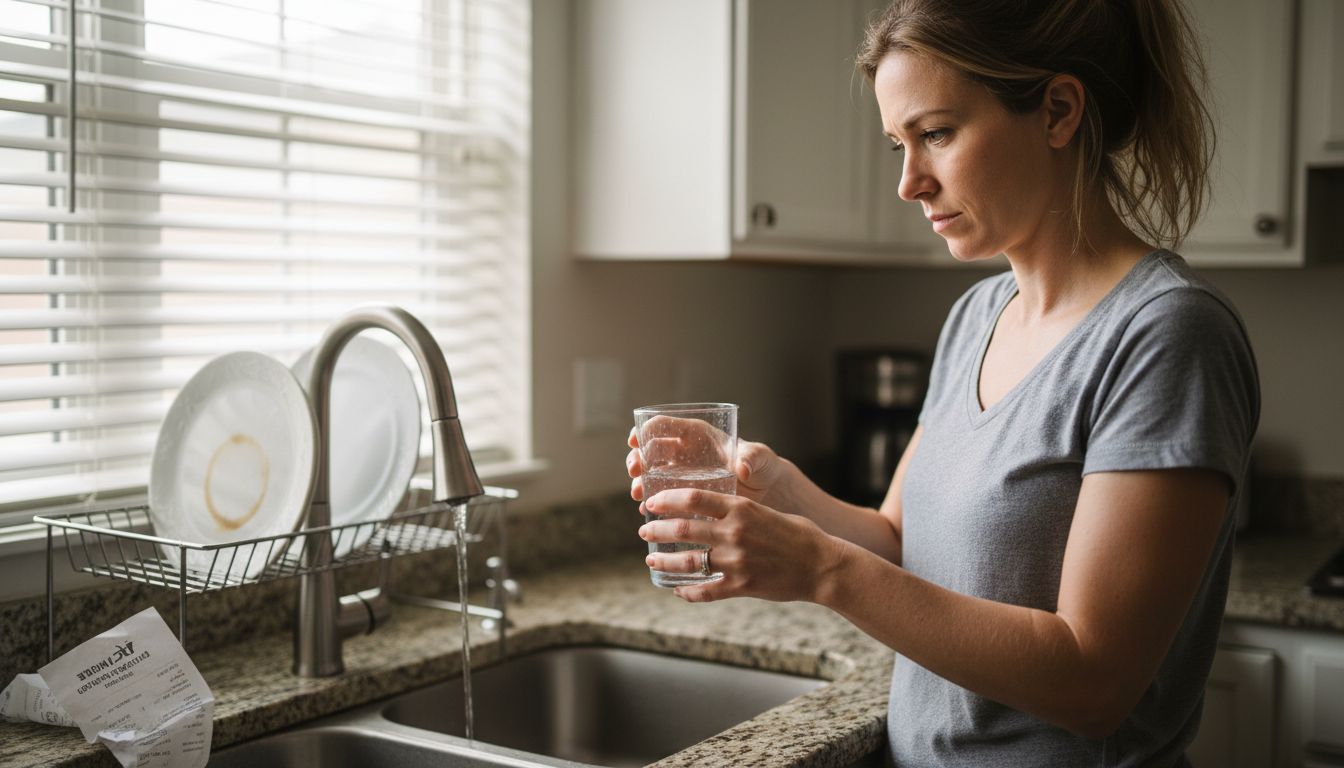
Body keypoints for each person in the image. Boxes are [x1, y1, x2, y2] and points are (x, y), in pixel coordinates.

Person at [624, 0, 1260, 765]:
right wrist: (775, 490)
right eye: (898, 142)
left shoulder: (1166, 335)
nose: (908, 183)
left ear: (1058, 111)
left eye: (935, 134)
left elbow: (1095, 682)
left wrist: (821, 570)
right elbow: (899, 545)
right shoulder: (977, 316)